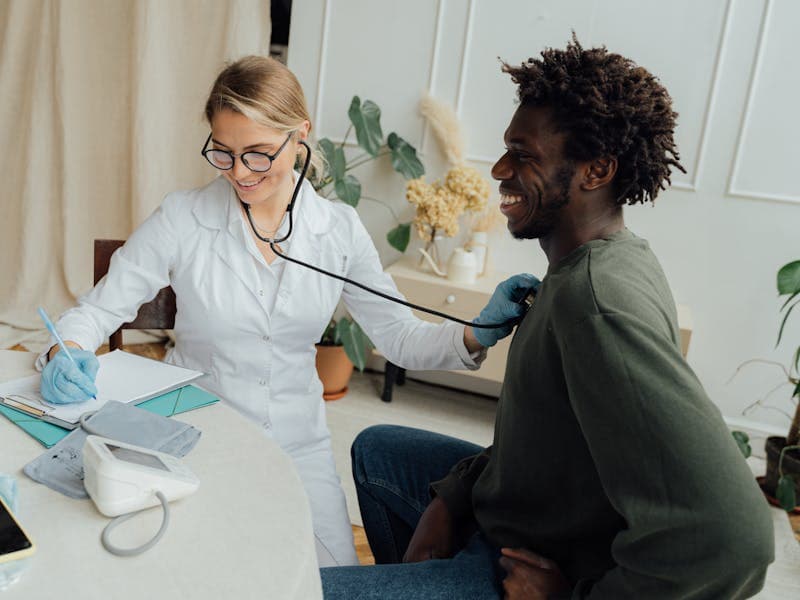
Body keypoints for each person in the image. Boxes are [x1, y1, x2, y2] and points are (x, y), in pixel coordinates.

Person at [35, 55, 536, 568]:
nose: (238, 173)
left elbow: (399, 337)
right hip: (194, 433)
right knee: (192, 572)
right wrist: (66, 349)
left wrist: (476, 334)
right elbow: (97, 309)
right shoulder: (183, 217)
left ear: (300, 135)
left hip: (299, 445)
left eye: (256, 154)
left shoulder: (337, 231)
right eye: (223, 153)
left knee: (326, 577)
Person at [320, 37, 775, 598]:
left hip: (527, 563)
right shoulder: (603, 261)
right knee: (378, 449)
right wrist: (452, 497)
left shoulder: (597, 302)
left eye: (524, 154)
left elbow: (738, 539)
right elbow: (543, 438)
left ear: (596, 170)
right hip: (525, 516)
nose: (500, 168)